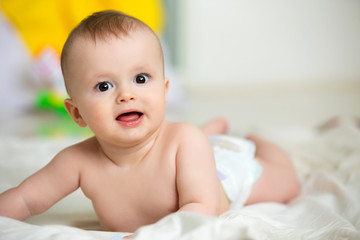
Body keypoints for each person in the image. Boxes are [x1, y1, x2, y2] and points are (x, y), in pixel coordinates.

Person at [0, 10, 299, 233]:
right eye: (104, 86)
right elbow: (25, 200)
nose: (126, 95)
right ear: (77, 113)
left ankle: (258, 142)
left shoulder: (185, 142)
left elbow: (201, 211)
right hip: (197, 153)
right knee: (201, 143)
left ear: (164, 91)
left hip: (225, 175)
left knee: (287, 185)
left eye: (140, 79)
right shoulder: (77, 162)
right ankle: (212, 131)